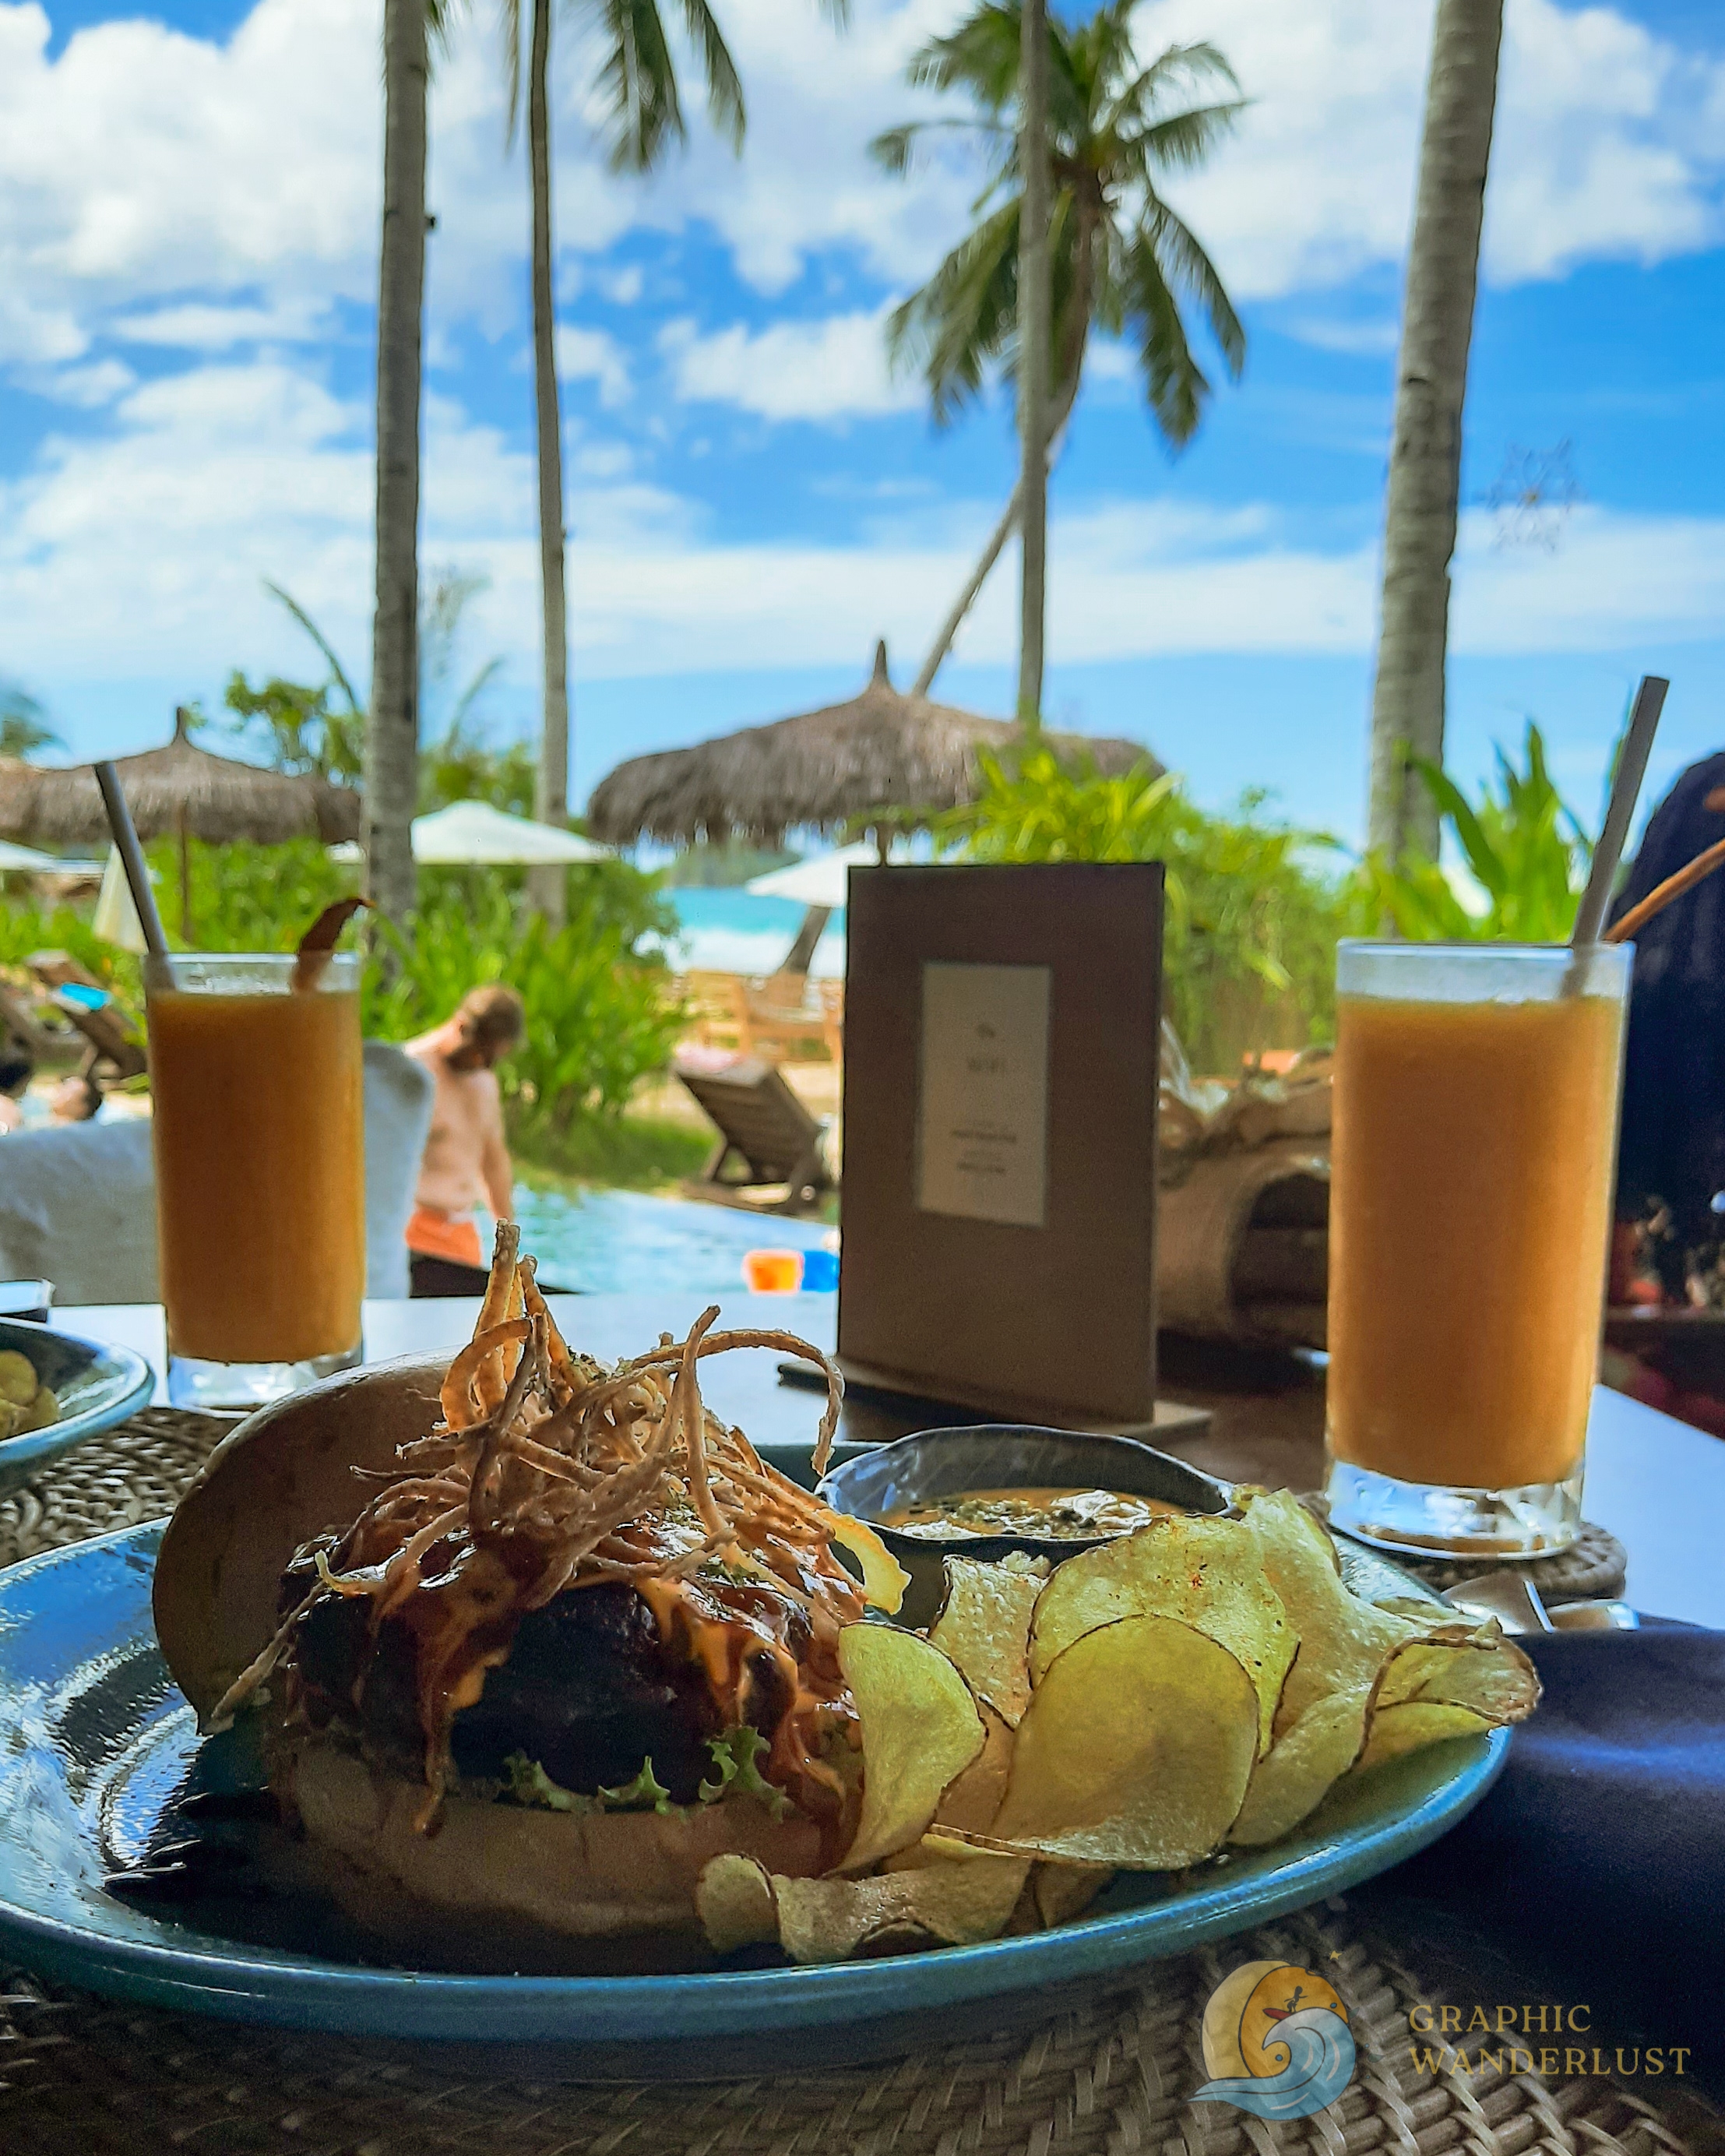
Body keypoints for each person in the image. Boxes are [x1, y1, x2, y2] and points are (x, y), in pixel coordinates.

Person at [403, 985, 526, 1297]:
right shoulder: (412, 1071)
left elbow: (493, 1162)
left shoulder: (484, 1083)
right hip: (413, 1233)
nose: (481, 1065)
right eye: (479, 1053)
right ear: (461, 1026)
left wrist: (509, 1238)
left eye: (491, 1060)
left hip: (461, 1235)